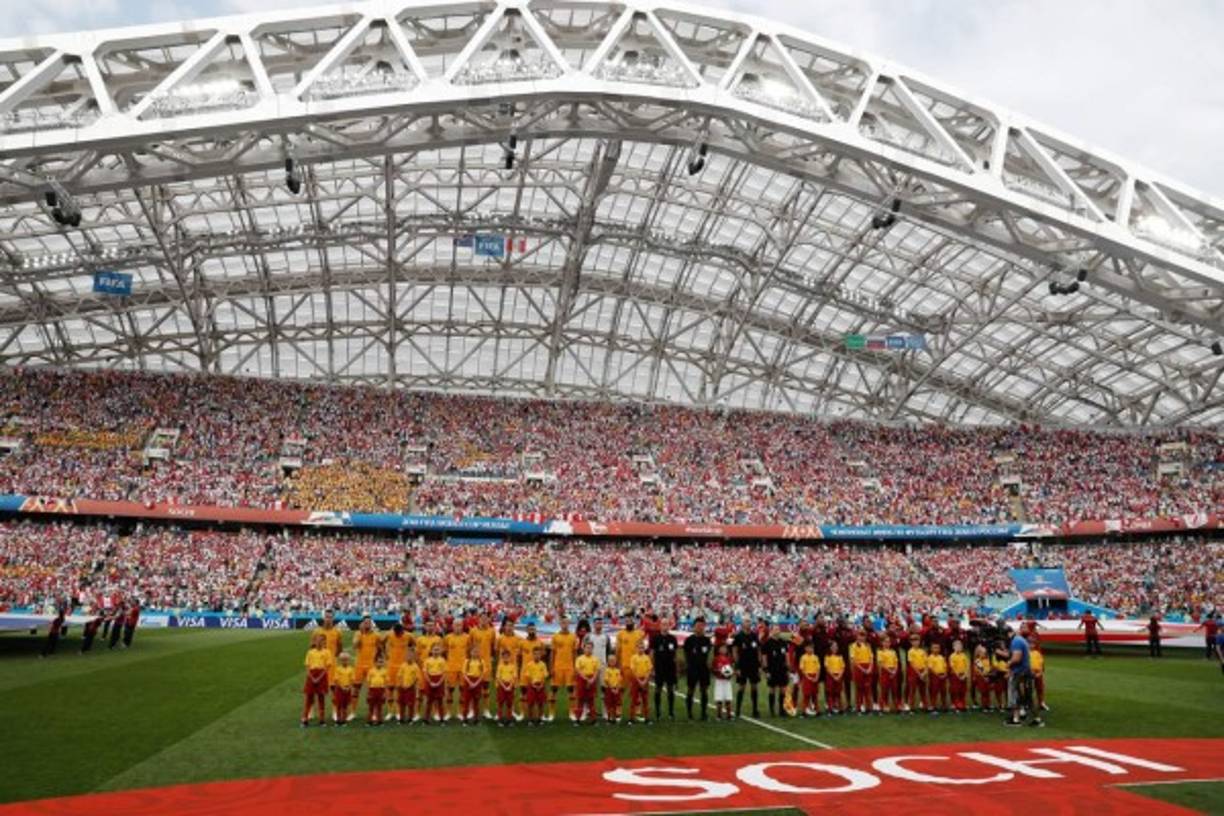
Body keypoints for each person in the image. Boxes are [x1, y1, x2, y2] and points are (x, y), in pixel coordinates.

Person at [1004, 629, 1041, 727]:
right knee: (1027, 697)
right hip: (1025, 671)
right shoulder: (1020, 640)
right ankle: (1037, 719)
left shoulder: (1016, 641)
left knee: (1015, 694)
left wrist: (1008, 663)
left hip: (1019, 672)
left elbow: (1017, 658)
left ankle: (1016, 720)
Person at [683, 616, 713, 720]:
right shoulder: (689, 640)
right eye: (698, 625)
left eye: (702, 626)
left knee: (704, 690)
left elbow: (709, 654)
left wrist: (709, 664)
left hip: (703, 669)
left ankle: (704, 713)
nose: (700, 627)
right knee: (691, 690)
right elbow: (686, 655)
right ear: (694, 627)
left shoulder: (707, 640)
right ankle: (689, 713)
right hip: (692, 668)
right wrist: (687, 666)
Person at [731, 618, 762, 719]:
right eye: (746, 621)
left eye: (749, 621)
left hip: (753, 666)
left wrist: (759, 665)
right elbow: (735, 652)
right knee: (741, 687)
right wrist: (737, 666)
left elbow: (758, 650)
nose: (748, 623)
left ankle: (755, 710)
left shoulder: (754, 635)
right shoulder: (738, 636)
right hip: (743, 666)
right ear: (742, 624)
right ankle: (738, 710)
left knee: (754, 687)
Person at [302, 633, 333, 727]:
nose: (319, 642)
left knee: (321, 698)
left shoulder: (327, 652)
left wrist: (319, 678)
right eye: (317, 640)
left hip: (322, 674)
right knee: (309, 698)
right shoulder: (310, 652)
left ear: (324, 642)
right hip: (312, 674)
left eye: (321, 640)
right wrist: (311, 677)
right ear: (314, 642)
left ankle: (322, 719)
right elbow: (307, 666)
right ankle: (304, 718)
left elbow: (327, 667)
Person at [550, 616, 578, 722]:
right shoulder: (555, 637)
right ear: (560, 624)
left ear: (569, 624)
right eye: (563, 623)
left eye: (566, 623)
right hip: (557, 667)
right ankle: (552, 713)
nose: (564, 624)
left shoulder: (573, 637)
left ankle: (572, 712)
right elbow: (552, 653)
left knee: (571, 690)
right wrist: (551, 667)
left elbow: (575, 653)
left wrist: (575, 667)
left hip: (569, 667)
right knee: (553, 690)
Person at [650, 617, 678, 720]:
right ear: (660, 625)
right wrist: (652, 668)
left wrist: (676, 669)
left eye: (667, 624)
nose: (665, 626)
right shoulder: (655, 638)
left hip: (670, 668)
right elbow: (652, 654)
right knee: (658, 689)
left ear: (669, 626)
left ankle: (671, 712)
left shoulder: (673, 639)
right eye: (663, 624)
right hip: (659, 668)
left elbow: (675, 655)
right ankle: (658, 712)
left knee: (671, 689)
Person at [469, 613, 496, 718]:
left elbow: (493, 647)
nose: (484, 620)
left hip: (487, 663)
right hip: (474, 663)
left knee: (486, 688)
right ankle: (471, 710)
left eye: (486, 618)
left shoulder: (492, 631)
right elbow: (470, 646)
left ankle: (486, 710)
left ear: (488, 619)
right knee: (473, 687)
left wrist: (492, 658)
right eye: (482, 618)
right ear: (478, 619)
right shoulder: (473, 631)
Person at [444, 619, 471, 720]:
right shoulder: (447, 638)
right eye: (456, 625)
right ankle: (448, 712)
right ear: (452, 626)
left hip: (463, 669)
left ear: (463, 626)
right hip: (451, 668)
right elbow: (444, 652)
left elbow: (469, 652)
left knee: (463, 691)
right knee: (449, 691)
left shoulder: (467, 638)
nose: (458, 627)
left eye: (459, 625)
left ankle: (461, 712)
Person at [762, 623, 789, 718]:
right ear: (771, 631)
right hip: (772, 670)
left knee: (783, 690)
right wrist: (766, 671)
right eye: (775, 629)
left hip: (782, 669)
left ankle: (782, 709)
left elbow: (786, 656)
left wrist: (787, 668)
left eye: (778, 629)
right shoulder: (767, 643)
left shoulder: (783, 642)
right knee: (772, 690)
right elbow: (764, 657)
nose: (777, 631)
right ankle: (772, 710)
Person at [848, 629, 874, 715]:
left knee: (867, 689)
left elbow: (871, 657)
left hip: (867, 667)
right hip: (859, 668)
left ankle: (868, 708)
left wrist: (870, 667)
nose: (862, 637)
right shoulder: (853, 646)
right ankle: (859, 708)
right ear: (857, 636)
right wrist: (862, 669)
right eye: (860, 635)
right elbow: (853, 660)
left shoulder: (867, 645)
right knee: (859, 689)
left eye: (863, 636)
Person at [574, 640, 600, 724]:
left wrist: (592, 679)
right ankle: (578, 719)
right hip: (582, 680)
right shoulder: (579, 658)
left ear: (593, 649)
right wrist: (586, 679)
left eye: (590, 648)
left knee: (591, 700)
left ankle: (593, 719)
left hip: (592, 679)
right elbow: (578, 670)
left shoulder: (595, 659)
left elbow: (597, 670)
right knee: (580, 700)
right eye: (587, 648)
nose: (589, 649)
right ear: (583, 648)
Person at [460, 642, 486, 725]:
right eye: (473, 652)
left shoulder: (481, 661)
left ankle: (476, 719)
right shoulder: (467, 661)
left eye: (477, 652)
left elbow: (482, 673)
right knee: (466, 701)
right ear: (470, 652)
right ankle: (465, 719)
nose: (475, 653)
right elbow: (464, 673)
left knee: (476, 701)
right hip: (468, 682)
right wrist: (470, 682)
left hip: (477, 682)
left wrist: (476, 682)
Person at [523, 645, 549, 725]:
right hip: (532, 685)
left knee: (541, 703)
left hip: (541, 685)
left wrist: (541, 685)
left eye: (538, 654)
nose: (537, 656)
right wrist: (533, 685)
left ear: (540, 655)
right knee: (530, 703)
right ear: (532, 655)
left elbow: (545, 676)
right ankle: (530, 719)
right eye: (535, 654)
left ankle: (540, 718)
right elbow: (528, 676)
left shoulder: (543, 665)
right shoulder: (529, 664)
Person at [629, 639, 653, 724]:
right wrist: (639, 681)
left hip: (644, 680)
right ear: (636, 648)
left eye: (642, 648)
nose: (641, 649)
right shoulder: (633, 658)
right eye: (639, 648)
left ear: (644, 648)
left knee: (645, 700)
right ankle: (632, 718)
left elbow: (649, 670)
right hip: (636, 680)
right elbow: (633, 670)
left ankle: (647, 718)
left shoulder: (647, 658)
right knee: (634, 700)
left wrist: (645, 680)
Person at [423, 642, 447, 723]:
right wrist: (430, 682)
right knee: (429, 700)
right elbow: (425, 672)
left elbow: (444, 673)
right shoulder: (427, 660)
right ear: (431, 651)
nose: (436, 651)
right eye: (434, 650)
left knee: (440, 700)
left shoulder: (442, 660)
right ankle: (426, 719)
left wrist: (439, 682)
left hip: (439, 680)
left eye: (437, 650)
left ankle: (442, 718)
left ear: (440, 651)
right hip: (430, 680)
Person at [396, 647, 421, 723]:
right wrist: (401, 684)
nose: (409, 657)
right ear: (405, 656)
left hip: (411, 688)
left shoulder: (415, 666)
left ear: (413, 657)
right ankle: (401, 719)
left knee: (410, 704)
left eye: (411, 656)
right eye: (408, 656)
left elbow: (417, 678)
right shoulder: (403, 665)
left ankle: (410, 719)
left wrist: (411, 685)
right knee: (402, 704)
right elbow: (399, 675)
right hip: (402, 687)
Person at [876, 633, 900, 714]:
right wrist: (890, 671)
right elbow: (881, 664)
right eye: (885, 642)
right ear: (882, 643)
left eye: (888, 642)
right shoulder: (880, 652)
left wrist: (895, 670)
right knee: (884, 690)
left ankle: (896, 706)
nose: (887, 643)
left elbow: (896, 662)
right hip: (885, 672)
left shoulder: (893, 652)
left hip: (893, 671)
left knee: (894, 690)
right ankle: (883, 706)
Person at [904, 633, 927, 713]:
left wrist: (924, 672)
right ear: (911, 642)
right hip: (914, 672)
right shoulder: (910, 651)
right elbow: (912, 663)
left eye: (917, 640)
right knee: (912, 690)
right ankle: (911, 707)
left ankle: (924, 705)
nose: (915, 642)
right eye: (913, 641)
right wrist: (919, 673)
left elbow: (926, 662)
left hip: (922, 671)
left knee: (923, 689)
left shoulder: (922, 651)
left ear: (919, 641)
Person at [495, 648, 518, 726]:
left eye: (507, 657)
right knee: (500, 703)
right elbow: (498, 677)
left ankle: (509, 719)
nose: (506, 658)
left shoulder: (513, 666)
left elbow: (514, 677)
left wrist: (510, 686)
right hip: (502, 686)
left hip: (510, 686)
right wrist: (504, 686)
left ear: (510, 657)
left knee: (509, 703)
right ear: (502, 658)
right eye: (504, 657)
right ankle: (500, 719)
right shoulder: (500, 666)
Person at [332, 652, 356, 725]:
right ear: (340, 661)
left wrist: (349, 687)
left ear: (348, 660)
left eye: (346, 660)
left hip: (347, 688)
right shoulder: (338, 669)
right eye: (343, 660)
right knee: (339, 705)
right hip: (340, 689)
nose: (344, 662)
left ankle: (344, 720)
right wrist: (342, 687)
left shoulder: (351, 669)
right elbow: (336, 680)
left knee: (345, 705)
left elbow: (352, 679)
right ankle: (338, 720)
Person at [798, 641, 821, 717]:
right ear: (805, 649)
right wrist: (808, 677)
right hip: (807, 677)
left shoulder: (815, 657)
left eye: (812, 648)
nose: (811, 649)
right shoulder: (803, 657)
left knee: (815, 695)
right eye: (809, 648)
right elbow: (802, 669)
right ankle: (804, 711)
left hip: (814, 676)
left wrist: (817, 677)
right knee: (806, 695)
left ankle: (817, 710)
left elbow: (818, 668)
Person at [712, 643, 734, 720]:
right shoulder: (716, 659)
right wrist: (719, 671)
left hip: (727, 681)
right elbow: (713, 669)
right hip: (719, 681)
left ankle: (729, 715)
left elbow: (731, 669)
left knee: (728, 698)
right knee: (719, 698)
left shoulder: (729, 659)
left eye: (725, 648)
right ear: (718, 650)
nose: (724, 649)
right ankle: (719, 715)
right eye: (722, 648)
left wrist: (730, 674)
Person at [366, 656, 390, 726]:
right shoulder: (371, 671)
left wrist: (385, 692)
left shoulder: (385, 671)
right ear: (375, 663)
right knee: (371, 706)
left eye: (381, 662)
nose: (380, 664)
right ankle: (369, 721)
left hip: (381, 690)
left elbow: (386, 682)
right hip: (373, 690)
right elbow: (368, 681)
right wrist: (369, 691)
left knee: (379, 706)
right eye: (379, 662)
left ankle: (380, 721)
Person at [823, 640, 845, 714]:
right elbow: (827, 668)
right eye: (833, 647)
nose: (835, 648)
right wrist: (833, 676)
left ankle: (840, 708)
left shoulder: (840, 656)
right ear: (830, 648)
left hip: (839, 675)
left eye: (836, 647)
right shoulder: (827, 656)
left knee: (838, 693)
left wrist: (839, 676)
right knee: (830, 693)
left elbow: (842, 667)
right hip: (830, 676)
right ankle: (830, 709)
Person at [1028, 635, 1048, 712]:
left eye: (1033, 643)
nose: (1031, 645)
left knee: (1040, 688)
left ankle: (1041, 702)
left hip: (1038, 673)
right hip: (1029, 673)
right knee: (1029, 689)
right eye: (1030, 643)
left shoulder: (1038, 653)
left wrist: (1040, 672)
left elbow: (1041, 663)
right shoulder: (1025, 652)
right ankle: (1029, 703)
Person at [927, 641, 948, 714]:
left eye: (938, 648)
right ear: (931, 649)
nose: (936, 649)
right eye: (934, 648)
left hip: (942, 676)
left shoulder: (941, 657)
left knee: (943, 691)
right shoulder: (930, 657)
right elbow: (930, 668)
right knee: (934, 691)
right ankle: (933, 706)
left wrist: (945, 673)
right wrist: (938, 675)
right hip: (935, 676)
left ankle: (944, 706)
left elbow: (945, 666)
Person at [949, 639, 969, 713]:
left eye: (960, 646)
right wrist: (958, 675)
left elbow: (967, 665)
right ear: (953, 647)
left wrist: (965, 674)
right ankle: (956, 705)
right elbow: (953, 667)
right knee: (955, 690)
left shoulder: (964, 655)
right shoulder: (952, 656)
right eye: (957, 646)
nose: (959, 647)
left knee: (963, 690)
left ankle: (963, 704)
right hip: (955, 676)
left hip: (963, 675)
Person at [603, 654, 624, 723]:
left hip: (616, 689)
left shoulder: (618, 671)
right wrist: (611, 688)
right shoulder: (607, 670)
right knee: (609, 704)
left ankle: (615, 717)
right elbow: (606, 680)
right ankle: (609, 718)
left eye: (614, 660)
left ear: (616, 661)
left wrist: (617, 688)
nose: (612, 662)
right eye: (610, 661)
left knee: (616, 703)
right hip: (609, 689)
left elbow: (619, 680)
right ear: (608, 662)